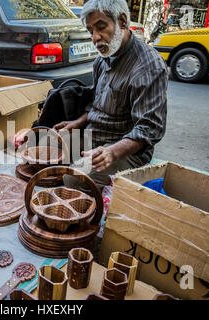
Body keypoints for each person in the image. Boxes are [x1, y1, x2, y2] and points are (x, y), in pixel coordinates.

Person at [53, 0, 168, 195]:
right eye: (90, 31)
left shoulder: (148, 66)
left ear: (122, 21)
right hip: (95, 135)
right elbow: (95, 104)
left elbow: (150, 129)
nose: (95, 37)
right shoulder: (102, 60)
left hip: (125, 148)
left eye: (101, 27)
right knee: (46, 147)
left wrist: (112, 152)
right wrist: (77, 122)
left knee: (72, 178)